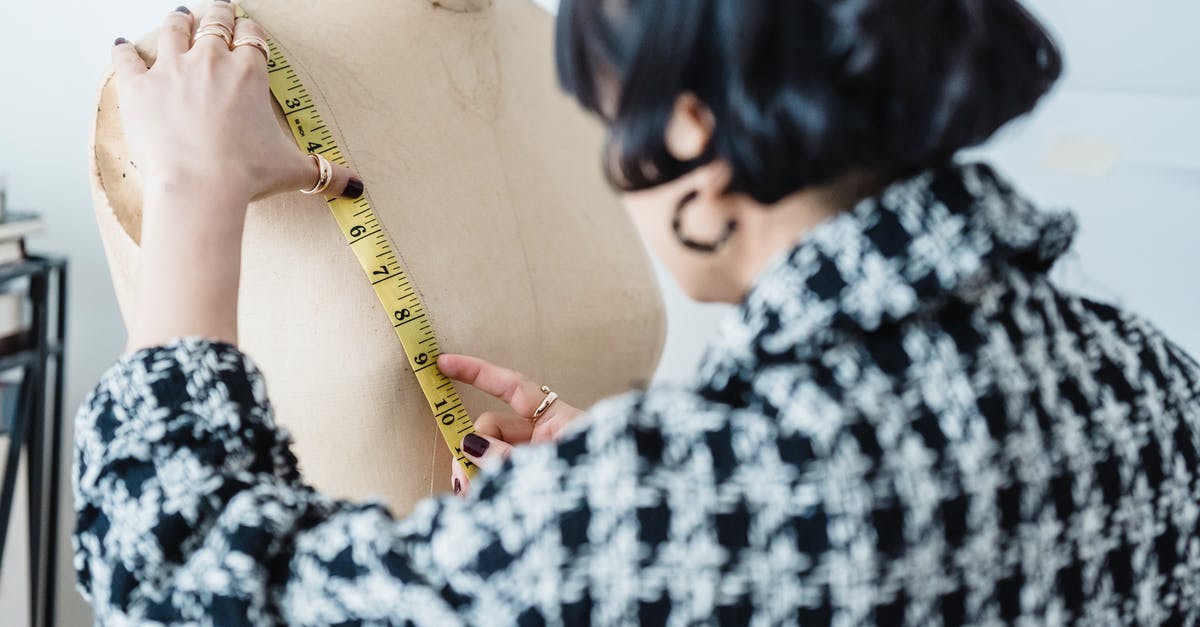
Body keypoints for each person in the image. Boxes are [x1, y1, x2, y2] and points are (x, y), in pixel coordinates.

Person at [75, 0, 1200, 624]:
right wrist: (606, 507)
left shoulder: (705, 495)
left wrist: (193, 194)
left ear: (702, 171)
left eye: (612, 125)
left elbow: (177, 570)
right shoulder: (1151, 379)